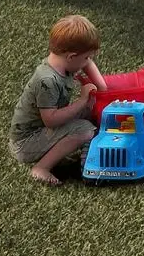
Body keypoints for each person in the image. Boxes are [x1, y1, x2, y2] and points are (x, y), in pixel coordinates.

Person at [8, 14, 108, 185]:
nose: (88, 61)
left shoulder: (64, 63)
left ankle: (56, 151)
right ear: (71, 57)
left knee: (90, 112)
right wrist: (82, 101)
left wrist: (102, 89)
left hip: (43, 131)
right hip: (25, 144)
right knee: (84, 130)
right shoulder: (47, 80)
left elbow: (87, 64)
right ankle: (41, 168)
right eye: (86, 57)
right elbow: (51, 120)